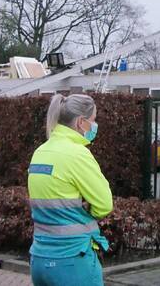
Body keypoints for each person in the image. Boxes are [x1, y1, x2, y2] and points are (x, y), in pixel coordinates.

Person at [28, 93, 113, 286]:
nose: (95, 125)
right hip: (73, 260)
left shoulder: (40, 152)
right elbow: (104, 204)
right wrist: (84, 208)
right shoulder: (78, 154)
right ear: (81, 122)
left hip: (39, 258)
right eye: (93, 120)